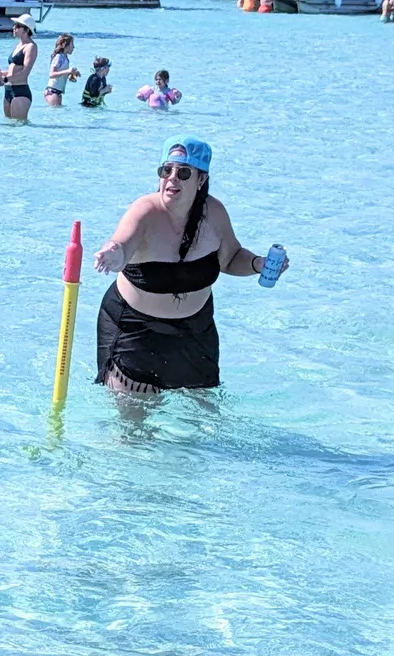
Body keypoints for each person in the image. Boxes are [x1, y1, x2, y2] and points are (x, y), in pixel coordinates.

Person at [91, 140, 285, 394]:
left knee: (203, 420)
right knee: (135, 427)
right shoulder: (144, 211)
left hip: (195, 331)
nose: (173, 178)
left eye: (183, 172)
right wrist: (113, 254)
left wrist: (257, 264)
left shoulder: (213, 213)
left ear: (201, 180)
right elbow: (122, 244)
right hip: (135, 331)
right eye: (166, 171)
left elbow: (230, 258)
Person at [3, 15, 38, 122]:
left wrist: (5, 79)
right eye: (15, 25)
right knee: (8, 126)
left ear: (26, 30)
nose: (14, 27)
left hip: (20, 91)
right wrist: (1, 73)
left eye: (18, 26)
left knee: (19, 128)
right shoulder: (19, 45)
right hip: (8, 90)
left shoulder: (31, 47)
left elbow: (25, 72)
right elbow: (13, 70)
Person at [44, 35, 80, 107]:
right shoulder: (58, 57)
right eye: (72, 44)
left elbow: (60, 73)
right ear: (64, 45)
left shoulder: (65, 58)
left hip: (58, 92)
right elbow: (51, 74)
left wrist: (71, 74)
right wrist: (68, 71)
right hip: (52, 91)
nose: (73, 47)